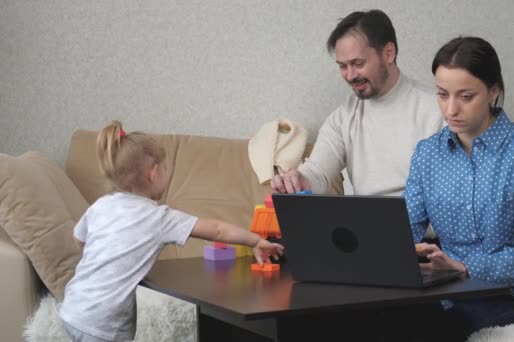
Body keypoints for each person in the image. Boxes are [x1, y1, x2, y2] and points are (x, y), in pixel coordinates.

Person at [59, 121, 284, 342]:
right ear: (153, 173)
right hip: (103, 325)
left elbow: (79, 240)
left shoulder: (101, 206)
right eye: (166, 167)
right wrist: (255, 241)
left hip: (73, 309)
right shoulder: (158, 217)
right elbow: (216, 230)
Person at [402, 36, 514, 341]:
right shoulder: (427, 153)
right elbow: (404, 227)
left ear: (493, 91)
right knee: (374, 320)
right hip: (446, 290)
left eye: (465, 96)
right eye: (442, 94)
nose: (450, 109)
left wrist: (463, 267)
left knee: (435, 329)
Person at [271, 9, 444, 196]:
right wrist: (299, 180)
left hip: (419, 222)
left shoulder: (436, 109)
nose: (350, 75)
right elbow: (318, 174)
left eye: (358, 64)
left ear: (388, 53)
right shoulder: (344, 118)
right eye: (343, 66)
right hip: (363, 222)